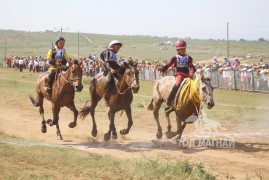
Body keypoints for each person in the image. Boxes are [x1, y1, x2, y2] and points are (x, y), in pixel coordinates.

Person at [158, 40, 196, 111]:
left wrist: (192, 71)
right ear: (178, 50)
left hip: (187, 75)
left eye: (184, 48)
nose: (183, 50)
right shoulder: (175, 58)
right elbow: (169, 65)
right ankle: (169, 100)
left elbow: (191, 66)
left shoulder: (189, 58)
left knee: (193, 86)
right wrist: (162, 68)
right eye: (181, 49)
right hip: (179, 74)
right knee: (177, 84)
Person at [100, 40, 124, 105]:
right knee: (109, 80)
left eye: (119, 47)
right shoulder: (107, 52)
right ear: (112, 46)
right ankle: (104, 96)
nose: (118, 48)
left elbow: (115, 63)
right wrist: (110, 69)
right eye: (117, 47)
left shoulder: (114, 54)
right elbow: (107, 62)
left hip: (115, 68)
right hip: (108, 68)